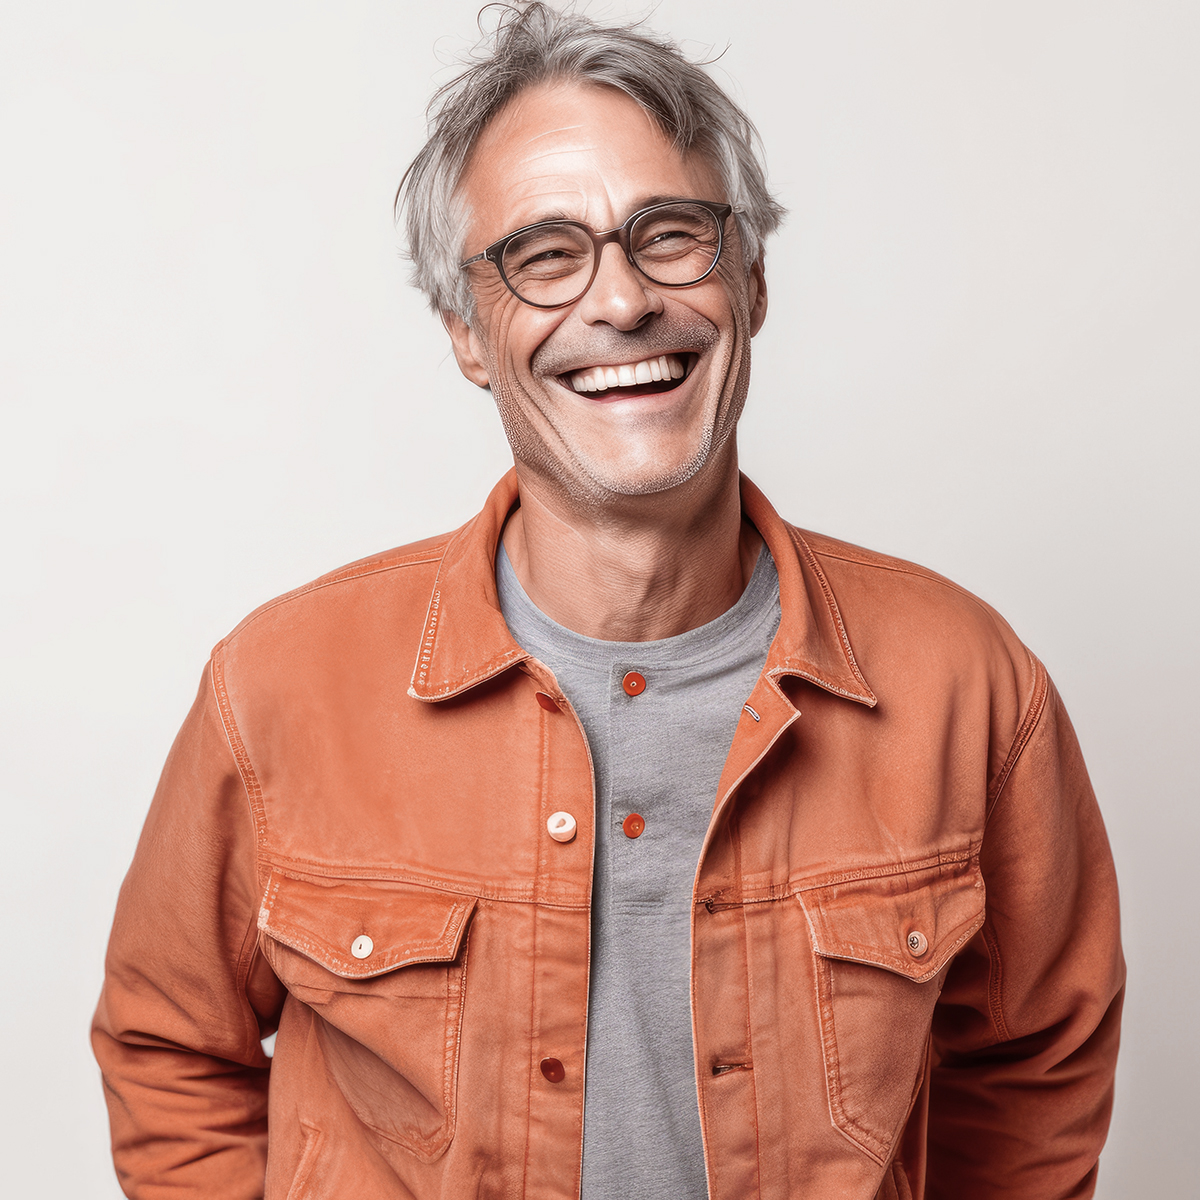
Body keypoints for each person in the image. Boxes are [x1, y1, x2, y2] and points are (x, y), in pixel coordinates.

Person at [92, 5, 1124, 1198]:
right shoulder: (279, 685)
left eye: (670, 234)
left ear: (753, 278)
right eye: (544, 256)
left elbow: (1036, 1063)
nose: (622, 301)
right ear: (467, 334)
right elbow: (170, 1045)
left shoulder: (968, 681)